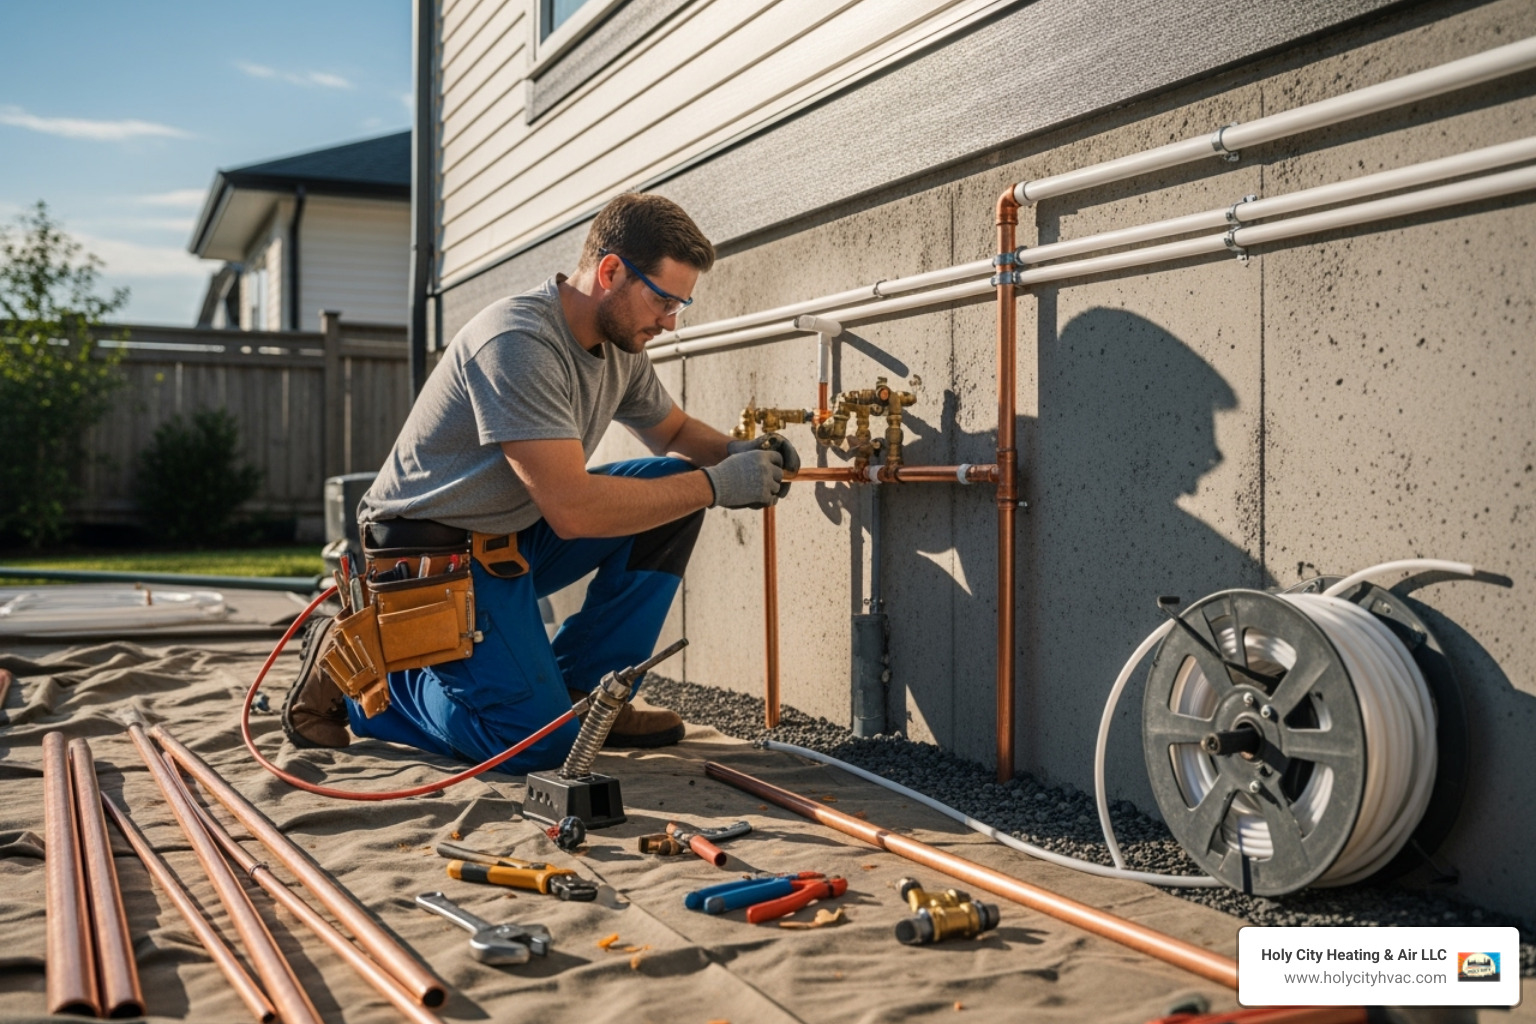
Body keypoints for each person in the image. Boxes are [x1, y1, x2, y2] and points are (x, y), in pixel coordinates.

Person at [282, 193, 798, 773]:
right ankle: (365, 685)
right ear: (610, 272)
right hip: (431, 558)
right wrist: (718, 484)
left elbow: (672, 430)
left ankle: (589, 694)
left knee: (676, 488)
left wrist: (737, 453)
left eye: (681, 303)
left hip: (510, 536)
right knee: (540, 747)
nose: (670, 320)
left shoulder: (618, 345)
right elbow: (574, 512)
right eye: (664, 299)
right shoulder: (518, 343)